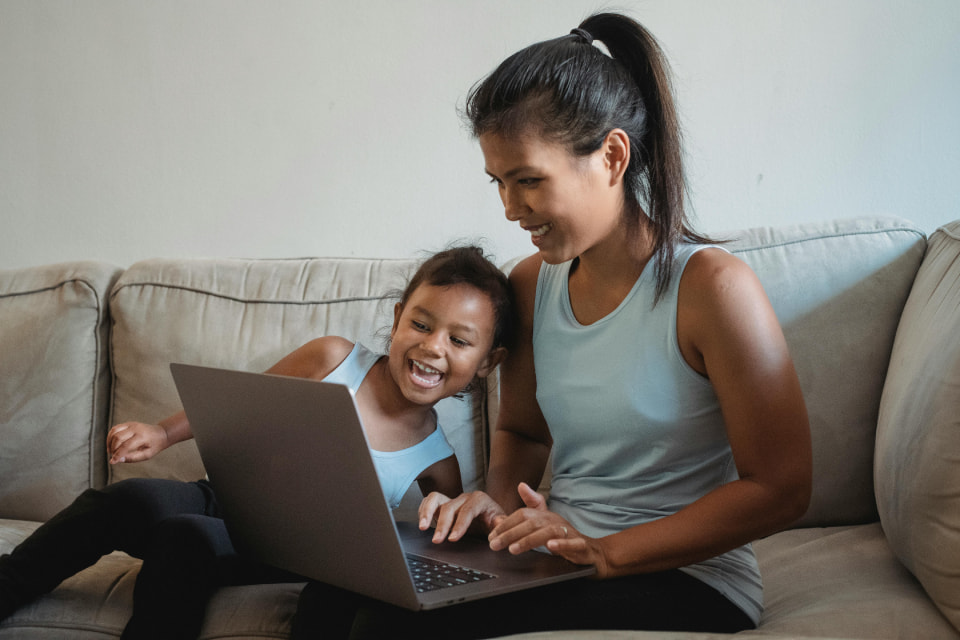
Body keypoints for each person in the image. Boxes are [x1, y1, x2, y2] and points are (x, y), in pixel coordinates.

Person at [296, 12, 812, 638]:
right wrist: (501, 508)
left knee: (393, 628)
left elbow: (782, 488)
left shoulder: (713, 290)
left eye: (529, 181)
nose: (511, 210)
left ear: (612, 156)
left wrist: (606, 552)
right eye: (499, 184)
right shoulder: (531, 283)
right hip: (557, 555)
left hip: (686, 578)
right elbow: (521, 429)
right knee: (340, 583)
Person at [0, 245, 514, 640]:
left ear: (486, 363)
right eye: (420, 324)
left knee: (185, 538)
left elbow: (429, 538)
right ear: (399, 317)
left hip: (293, 548)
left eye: (459, 340)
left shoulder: (437, 462)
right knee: (129, 498)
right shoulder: (334, 358)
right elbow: (232, 407)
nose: (431, 347)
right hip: (226, 495)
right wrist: (160, 432)